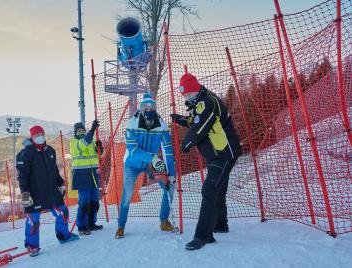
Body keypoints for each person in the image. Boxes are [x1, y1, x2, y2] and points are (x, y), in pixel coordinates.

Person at [171, 73, 241, 250]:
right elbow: (196, 120)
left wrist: (186, 143)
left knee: (209, 191)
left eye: (188, 94)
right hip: (216, 154)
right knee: (218, 190)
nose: (187, 98)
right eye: (185, 96)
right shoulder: (200, 102)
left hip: (224, 154)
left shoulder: (209, 101)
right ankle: (220, 225)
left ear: (195, 89)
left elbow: (201, 126)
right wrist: (182, 119)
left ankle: (203, 236)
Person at [115, 93, 177, 239]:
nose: (149, 109)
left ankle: (164, 221)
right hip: (132, 163)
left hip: (151, 163)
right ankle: (120, 226)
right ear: (141, 108)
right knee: (127, 195)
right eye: (145, 106)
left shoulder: (161, 125)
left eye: (151, 107)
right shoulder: (132, 123)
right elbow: (133, 149)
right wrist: (153, 157)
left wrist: (171, 173)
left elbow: (168, 150)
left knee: (170, 186)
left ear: (155, 108)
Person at [16, 125, 79, 257]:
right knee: (34, 221)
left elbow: (54, 170)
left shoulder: (50, 151)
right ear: (32, 138)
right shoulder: (25, 154)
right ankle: (32, 246)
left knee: (63, 213)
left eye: (41, 134)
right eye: (36, 136)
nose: (40, 137)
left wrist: (60, 183)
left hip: (51, 191)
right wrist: (25, 193)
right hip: (35, 194)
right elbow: (22, 176)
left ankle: (63, 236)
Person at [70, 120, 104, 235]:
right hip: (81, 176)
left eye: (82, 130)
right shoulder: (74, 142)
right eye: (79, 130)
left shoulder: (91, 141)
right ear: (75, 133)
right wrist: (92, 130)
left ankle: (91, 223)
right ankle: (82, 226)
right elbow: (83, 145)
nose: (81, 132)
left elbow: (98, 156)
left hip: (93, 175)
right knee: (84, 203)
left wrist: (100, 148)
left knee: (94, 202)